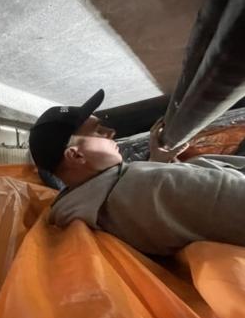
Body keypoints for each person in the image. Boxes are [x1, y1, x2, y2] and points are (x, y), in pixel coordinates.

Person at [29, 89, 245, 255]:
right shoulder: (154, 186)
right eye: (99, 131)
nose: (112, 132)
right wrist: (157, 170)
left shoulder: (75, 205)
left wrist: (157, 160)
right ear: (76, 156)